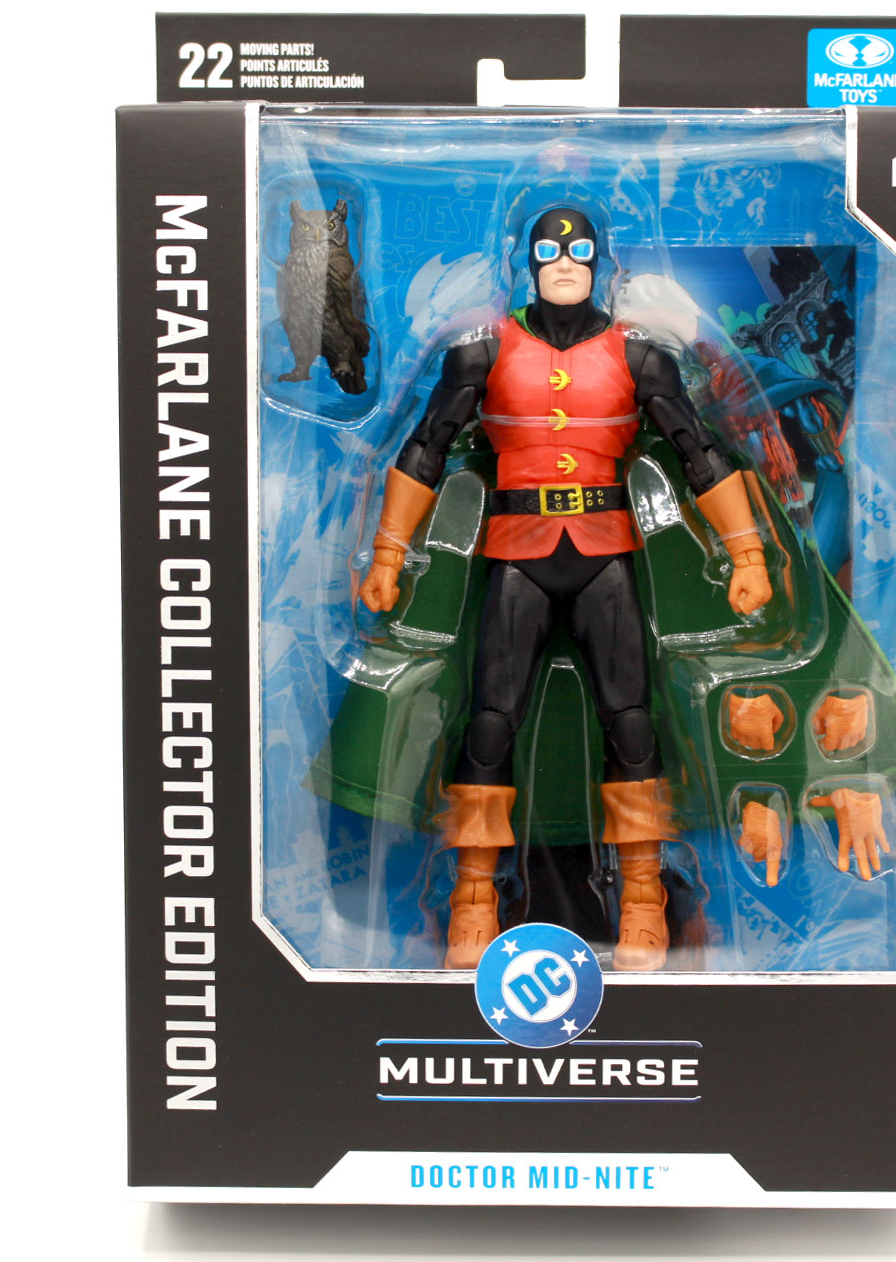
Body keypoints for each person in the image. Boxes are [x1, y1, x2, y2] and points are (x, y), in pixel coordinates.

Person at [359, 206, 772, 970]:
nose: (564, 261)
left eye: (578, 248)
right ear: (528, 260)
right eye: (550, 249)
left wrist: (747, 553)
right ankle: (473, 898)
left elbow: (699, 449)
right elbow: (427, 444)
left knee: (632, 724)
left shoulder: (639, 355)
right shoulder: (482, 351)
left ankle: (642, 899)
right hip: (516, 553)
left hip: (604, 554)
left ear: (599, 260)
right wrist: (388, 554)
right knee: (489, 725)